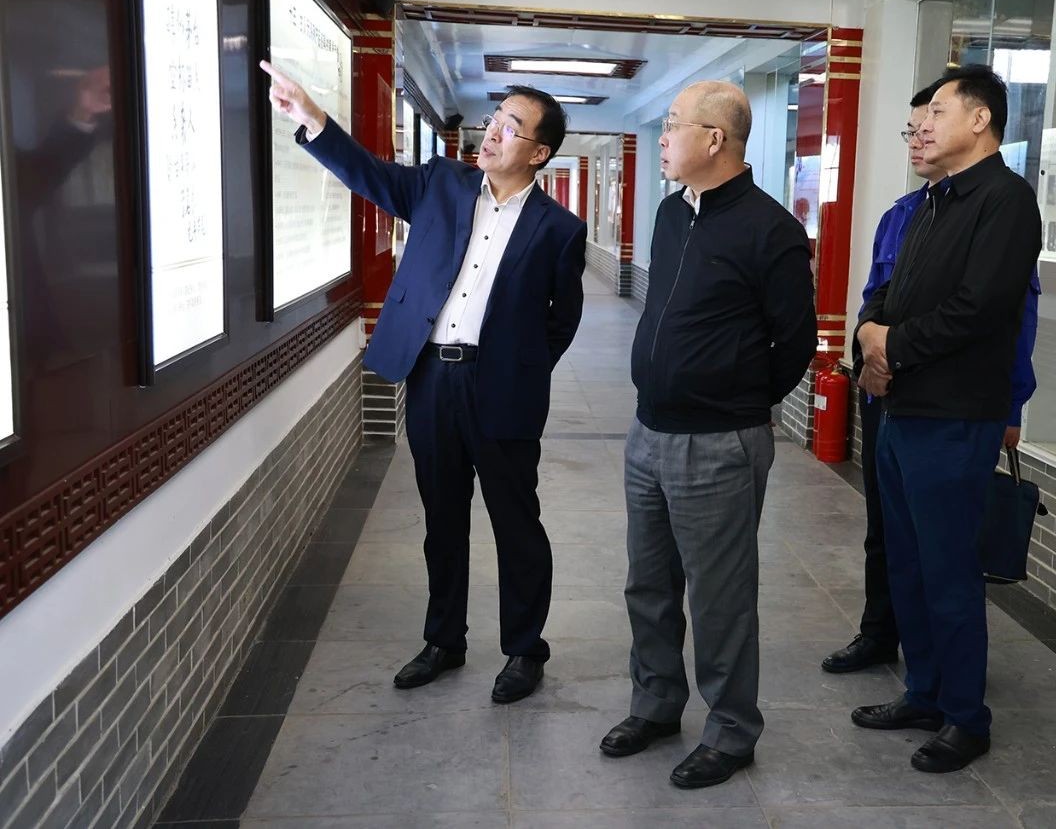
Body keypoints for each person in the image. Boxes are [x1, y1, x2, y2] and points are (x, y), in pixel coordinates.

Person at [260, 61, 587, 704]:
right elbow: (371, 175)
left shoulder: (558, 230)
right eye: (496, 119)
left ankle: (525, 649)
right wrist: (314, 119)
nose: (493, 132)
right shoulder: (441, 184)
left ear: (538, 153)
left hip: (502, 390)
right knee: (442, 516)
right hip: (433, 379)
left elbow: (561, 321)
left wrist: (518, 371)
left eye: (512, 127)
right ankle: (443, 640)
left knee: (516, 522)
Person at [599, 81, 817, 789]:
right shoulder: (671, 212)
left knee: (720, 597)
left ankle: (730, 730)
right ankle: (657, 703)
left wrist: (736, 401)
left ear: (715, 138)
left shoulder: (770, 230)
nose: (662, 138)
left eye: (672, 125)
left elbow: (795, 342)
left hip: (719, 441)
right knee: (648, 584)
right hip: (648, 432)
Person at [851, 65, 1041, 773]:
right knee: (907, 563)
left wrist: (890, 345)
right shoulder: (935, 200)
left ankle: (966, 717)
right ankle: (924, 692)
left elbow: (979, 309)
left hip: (956, 417)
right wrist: (870, 333)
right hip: (903, 409)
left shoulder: (1006, 202)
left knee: (950, 571)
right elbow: (890, 290)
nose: (922, 125)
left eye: (936, 111)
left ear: (980, 119)